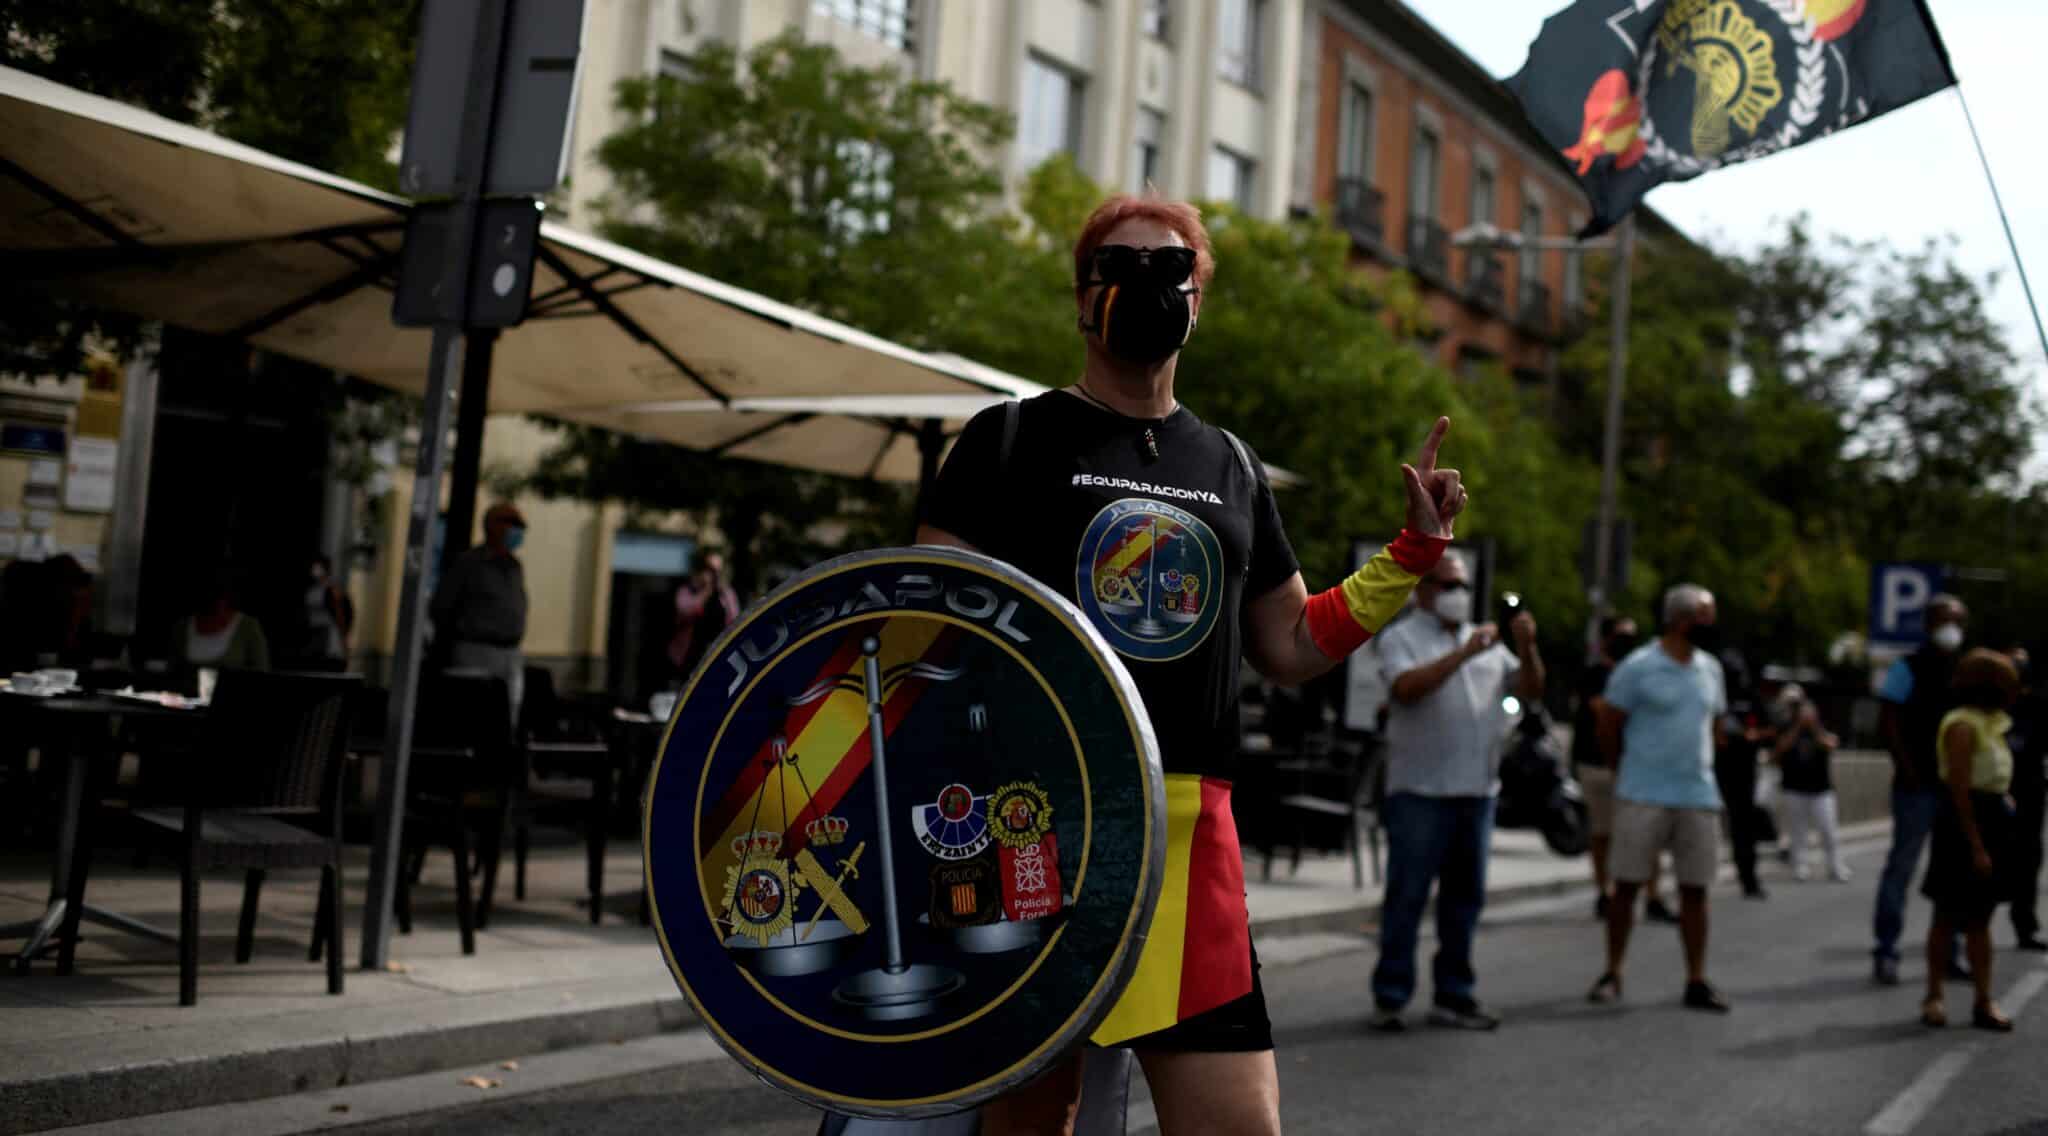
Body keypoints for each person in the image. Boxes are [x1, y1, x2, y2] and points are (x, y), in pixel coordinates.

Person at [916, 192, 1464, 1136]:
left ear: (1198, 300)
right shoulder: (1008, 439)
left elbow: (1291, 644)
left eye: (1171, 269)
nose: (1147, 286)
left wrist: (1408, 557)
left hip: (1186, 839)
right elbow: (925, 630)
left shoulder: (1232, 466)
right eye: (1118, 268)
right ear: (1082, 298)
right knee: (1028, 1126)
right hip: (1034, 822)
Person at [1368, 554, 1543, 1032]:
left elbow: (1529, 688)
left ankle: (1454, 993)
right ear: (1423, 590)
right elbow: (1405, 689)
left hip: (1477, 791)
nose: (1457, 593)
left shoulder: (1486, 639)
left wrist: (1526, 648)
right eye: (1447, 583)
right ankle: (1392, 995)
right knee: (1407, 897)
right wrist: (1464, 655)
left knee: (1464, 900)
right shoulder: (1402, 637)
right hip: (1419, 791)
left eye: (1463, 584)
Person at [1588, 584, 1731, 1013]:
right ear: (1681, 620)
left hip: (1697, 795)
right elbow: (1609, 725)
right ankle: (1613, 970)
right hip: (1643, 793)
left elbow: (1716, 726)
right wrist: (1623, 772)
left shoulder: (1711, 669)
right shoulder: (1638, 668)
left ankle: (1696, 977)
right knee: (1626, 888)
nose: (1711, 626)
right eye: (1706, 617)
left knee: (1695, 891)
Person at [1919, 649, 2024, 1031]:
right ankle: (1934, 995)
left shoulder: (1993, 723)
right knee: (1946, 915)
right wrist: (1976, 845)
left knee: (1981, 919)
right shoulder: (1962, 725)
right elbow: (1960, 789)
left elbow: (1992, 776)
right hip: (1964, 826)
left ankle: (1983, 999)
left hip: (1992, 820)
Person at [1872, 595, 1969, 986]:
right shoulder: (1907, 667)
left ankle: (1950, 951)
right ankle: (1886, 950)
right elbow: (1890, 721)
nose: (1952, 627)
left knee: (1955, 874)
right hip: (1917, 788)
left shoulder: (1967, 671)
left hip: (1956, 789)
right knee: (1902, 869)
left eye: (1958, 620)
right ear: (1930, 624)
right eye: (1946, 619)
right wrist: (1908, 769)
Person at [1572, 616, 1673, 922]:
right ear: (1605, 641)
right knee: (1602, 833)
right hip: (1599, 765)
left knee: (1647, 833)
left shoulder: (1643, 674)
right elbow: (1606, 712)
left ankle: (1653, 894)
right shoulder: (1596, 674)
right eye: (1621, 638)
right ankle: (1605, 892)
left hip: (1638, 766)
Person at [431, 502, 530, 721]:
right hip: (475, 651)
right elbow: (442, 607)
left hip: (510, 654)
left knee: (508, 715)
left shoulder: (514, 566)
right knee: (475, 714)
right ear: (492, 525)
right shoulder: (469, 563)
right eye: (512, 522)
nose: (519, 529)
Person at [1771, 683, 1848, 882]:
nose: (1796, 708)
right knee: (1797, 831)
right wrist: (1797, 727)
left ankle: (1835, 866)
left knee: (1828, 829)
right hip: (1794, 787)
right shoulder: (1785, 725)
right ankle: (1801, 866)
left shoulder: (1820, 723)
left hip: (1821, 788)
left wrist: (1813, 727)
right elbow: (1778, 751)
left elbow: (1831, 744)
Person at [1714, 647, 1769, 900]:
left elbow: (1770, 729)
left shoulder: (1750, 696)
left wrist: (1752, 736)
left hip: (1745, 770)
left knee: (1743, 823)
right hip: (1715, 768)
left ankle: (1748, 875)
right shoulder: (1714, 696)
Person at [2004, 644, 2045, 951]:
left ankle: (2024, 926)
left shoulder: (2038, 706)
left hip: (2029, 792)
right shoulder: (1988, 706)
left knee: (2028, 860)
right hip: (1992, 793)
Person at [172, 572, 272, 672]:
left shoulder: (248, 627)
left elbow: (261, 672)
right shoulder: (183, 627)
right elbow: (172, 669)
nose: (217, 601)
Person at [668, 552, 739, 683]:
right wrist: (706, 591)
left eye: (718, 571)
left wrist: (722, 590)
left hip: (716, 655)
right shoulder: (688, 591)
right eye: (711, 570)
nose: (714, 575)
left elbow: (734, 619)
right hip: (688, 657)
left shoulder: (726, 593)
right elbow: (685, 611)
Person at [299, 555, 353, 671]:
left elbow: (339, 613)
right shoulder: (313, 588)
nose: (314, 570)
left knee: (328, 661)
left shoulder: (332, 587)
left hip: (328, 633)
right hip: (314, 632)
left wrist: (344, 641)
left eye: (317, 566)